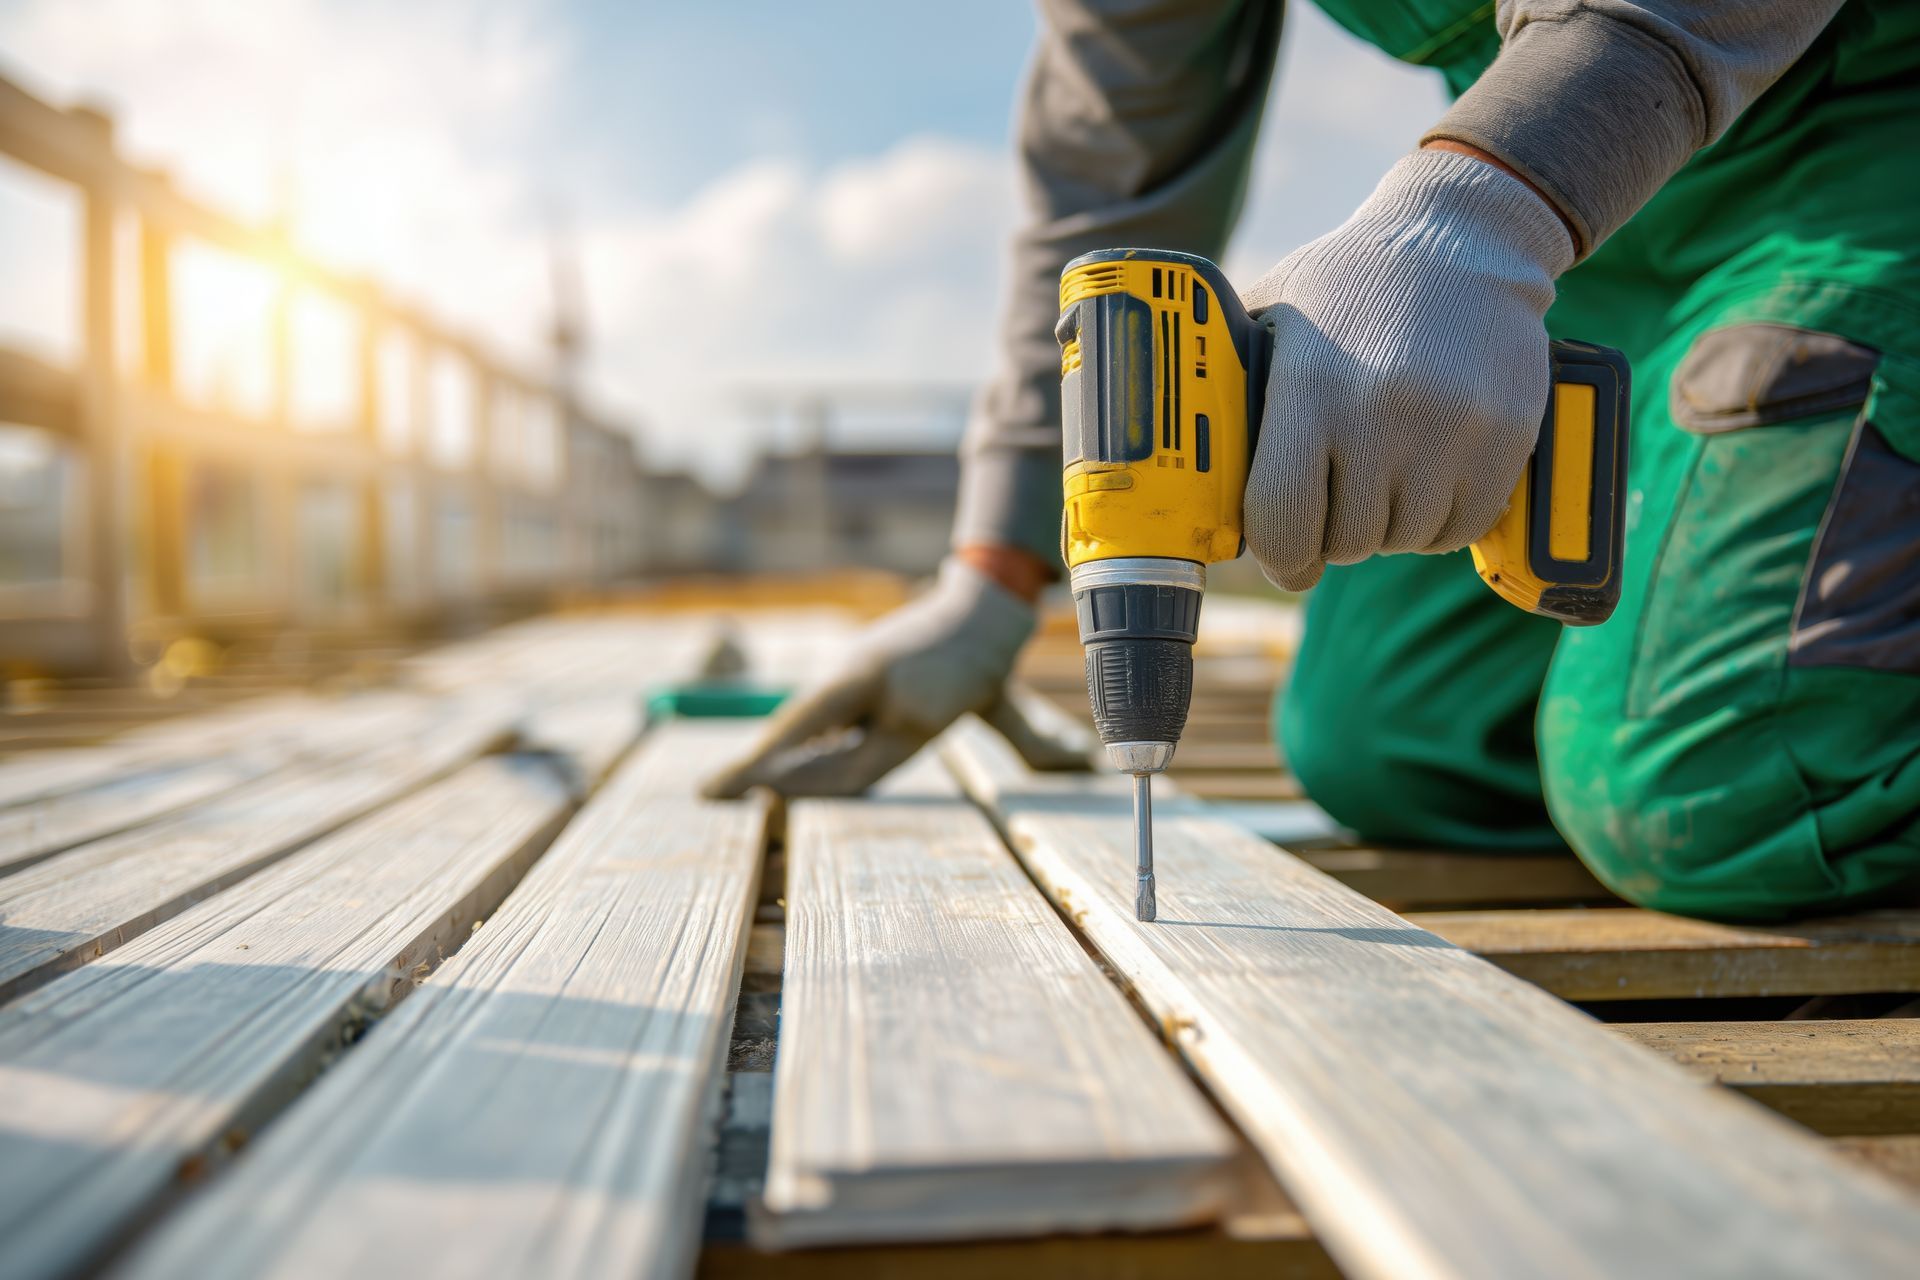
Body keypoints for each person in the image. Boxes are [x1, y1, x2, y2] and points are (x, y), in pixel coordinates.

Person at [707, 0, 1920, 922]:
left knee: (1723, 782)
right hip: (1606, 208)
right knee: (1392, 742)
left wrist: (1484, 208)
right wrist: (992, 572)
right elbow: (1113, 187)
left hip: (1865, 146)